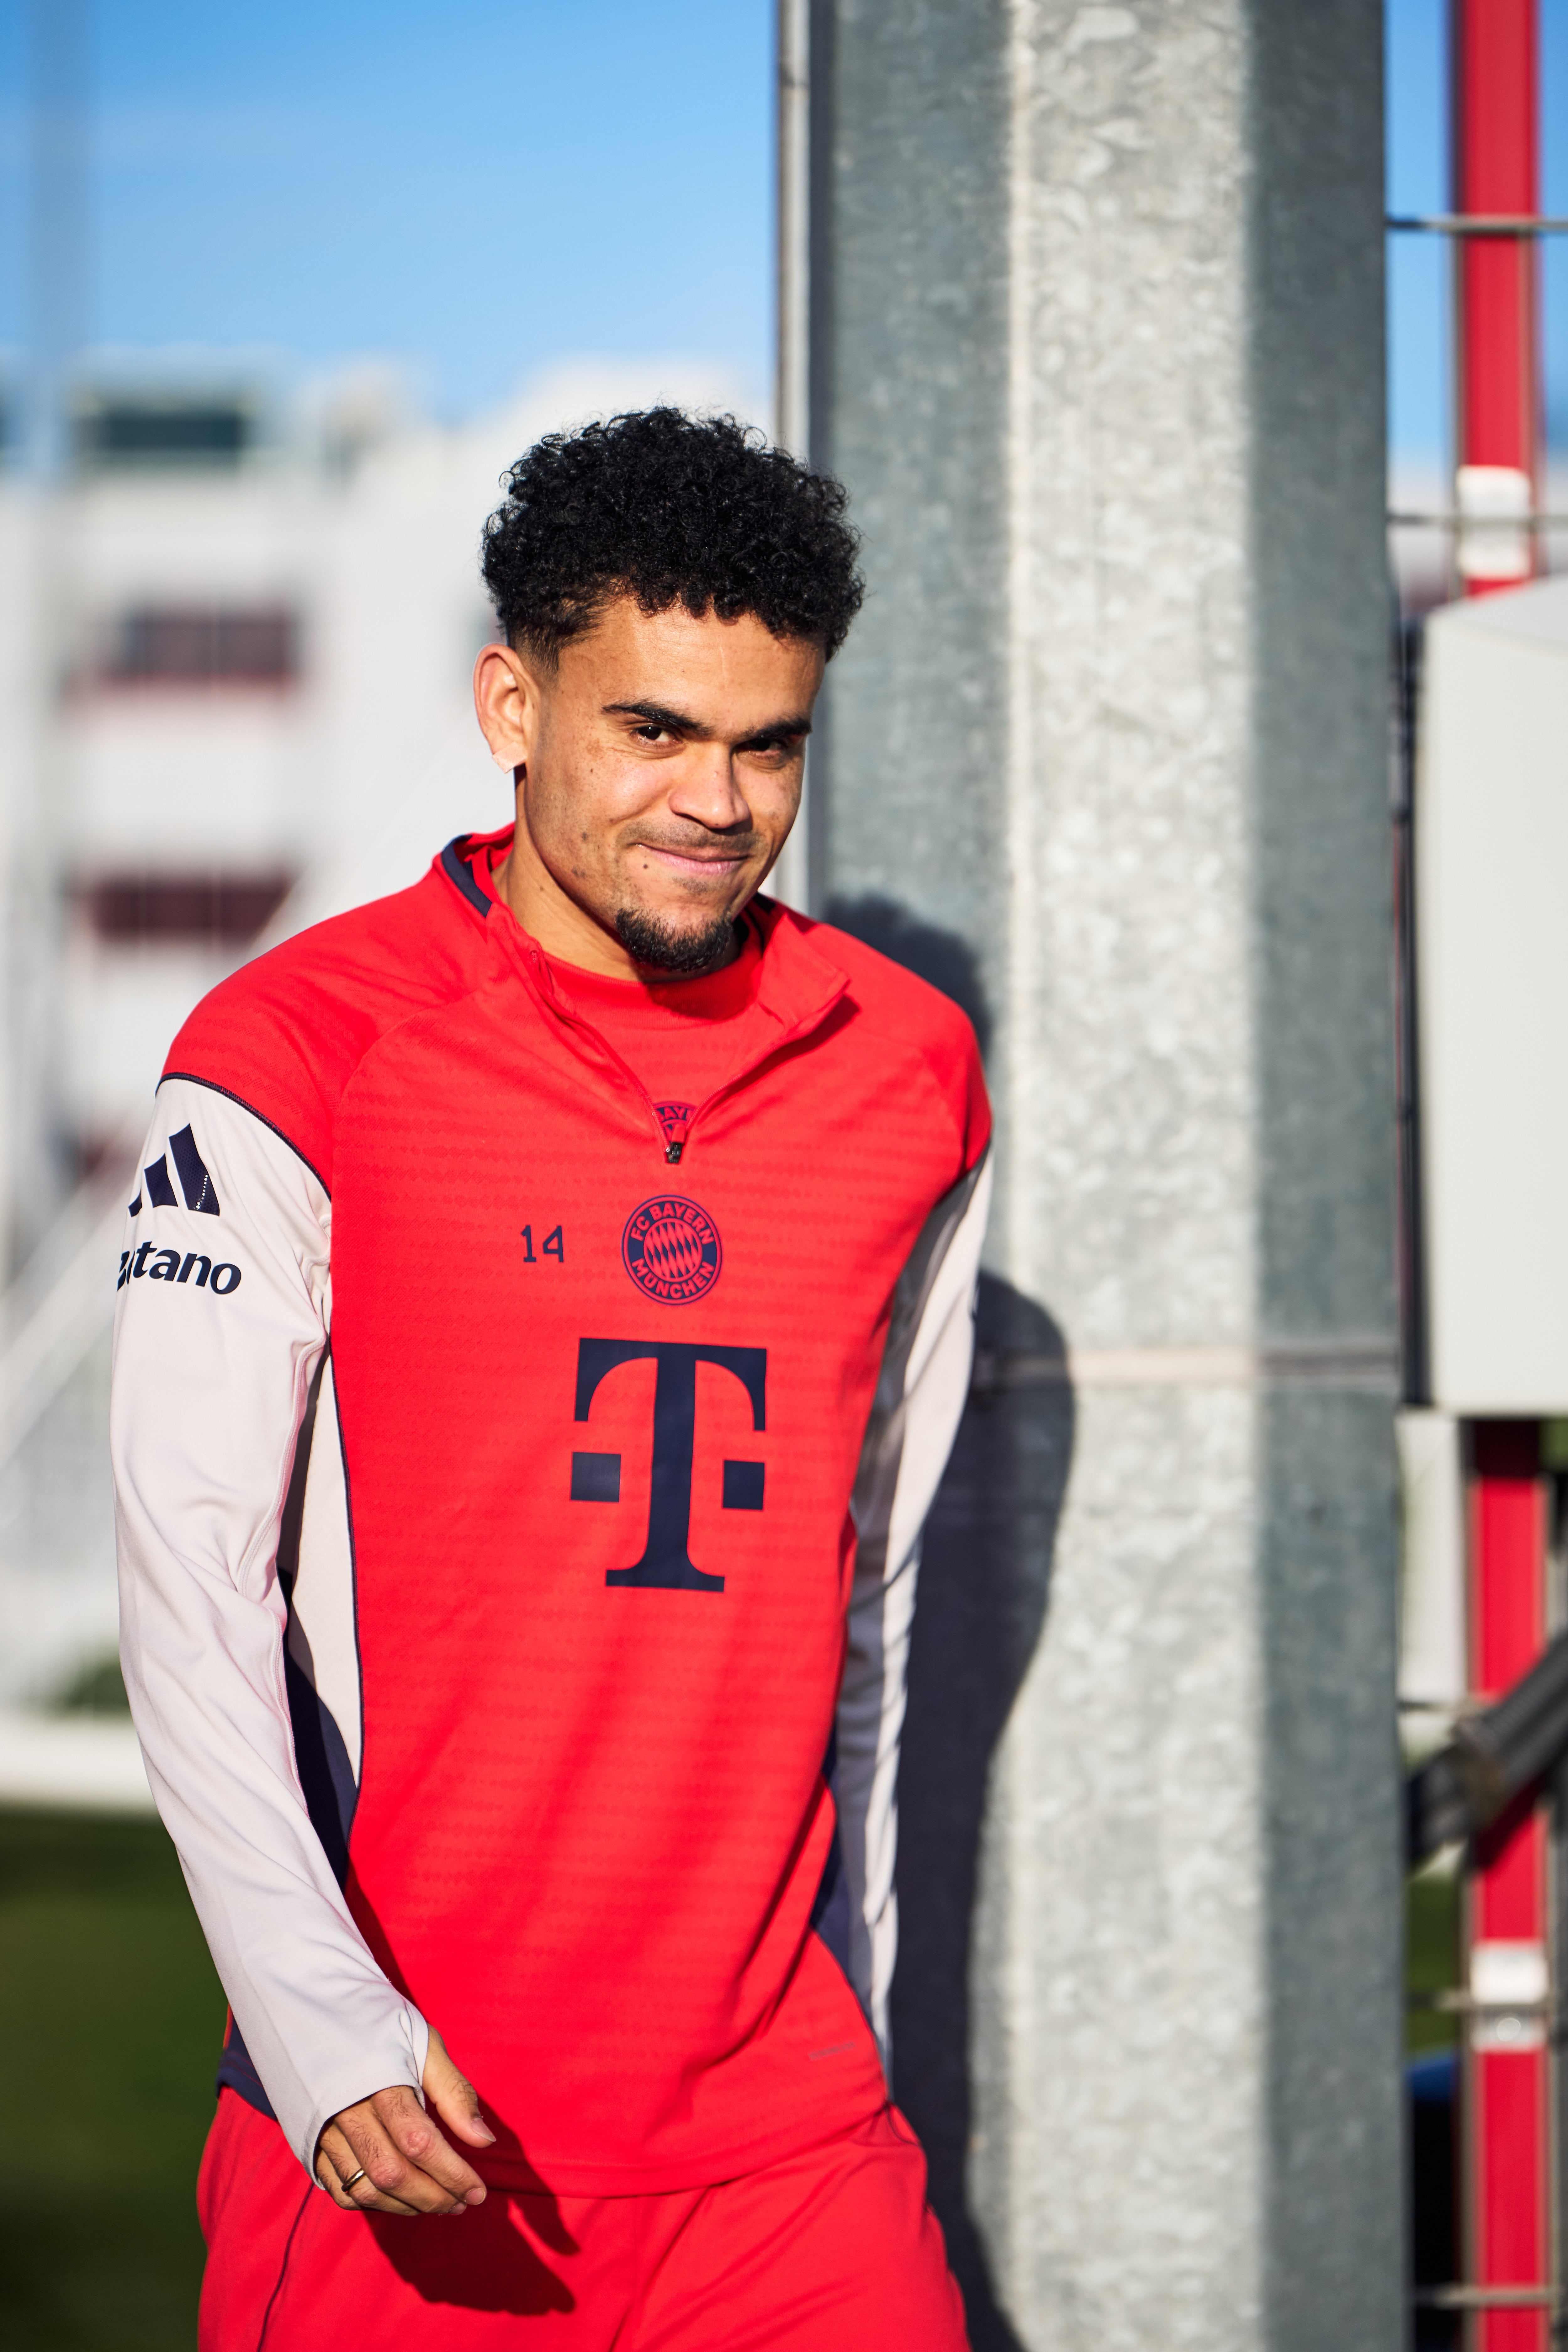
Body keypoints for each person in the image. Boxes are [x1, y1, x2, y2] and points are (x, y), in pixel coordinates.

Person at [113, 408, 991, 2349]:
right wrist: (321, 2032)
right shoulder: (298, 1049)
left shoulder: (910, 1072)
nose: (718, 799)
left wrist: (854, 2013)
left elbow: (873, 1605)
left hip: (790, 2160)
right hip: (420, 2131)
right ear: (513, 704)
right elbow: (189, 1582)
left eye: (768, 743)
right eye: (653, 731)